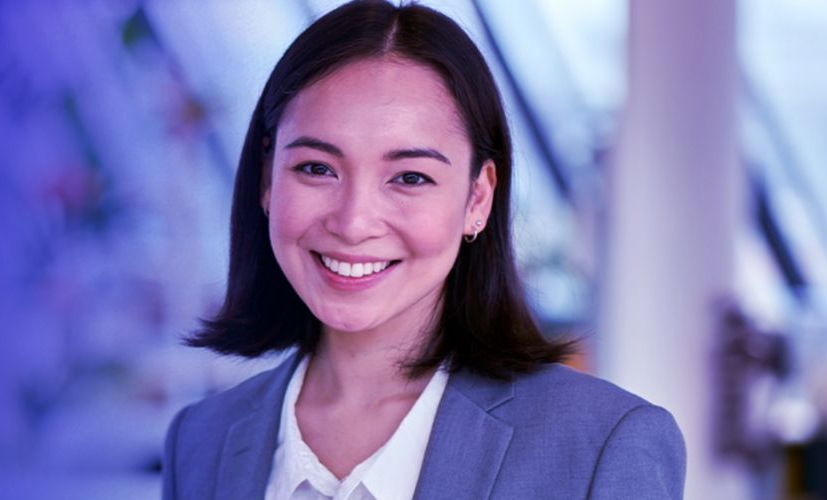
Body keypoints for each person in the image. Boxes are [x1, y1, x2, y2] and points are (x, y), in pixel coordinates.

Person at [161, 1, 685, 499]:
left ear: (477, 198)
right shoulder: (201, 443)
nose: (353, 221)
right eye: (316, 168)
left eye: (410, 177)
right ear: (266, 179)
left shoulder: (601, 447)